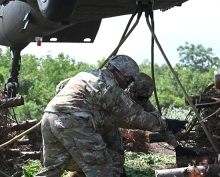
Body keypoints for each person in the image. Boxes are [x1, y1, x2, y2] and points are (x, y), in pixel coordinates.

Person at [35, 55, 168, 177]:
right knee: (102, 166)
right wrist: (165, 123)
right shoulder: (110, 87)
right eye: (130, 80)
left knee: (53, 169)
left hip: (49, 116)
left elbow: (61, 87)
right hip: (73, 121)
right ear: (121, 74)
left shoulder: (88, 74)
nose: (128, 85)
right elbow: (135, 116)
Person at [63, 72, 198, 177]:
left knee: (116, 160)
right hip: (92, 129)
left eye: (146, 99)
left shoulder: (143, 102)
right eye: (140, 98)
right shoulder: (114, 97)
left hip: (110, 130)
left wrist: (177, 146)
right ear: (129, 91)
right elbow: (129, 120)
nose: (143, 102)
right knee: (100, 161)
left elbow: (159, 122)